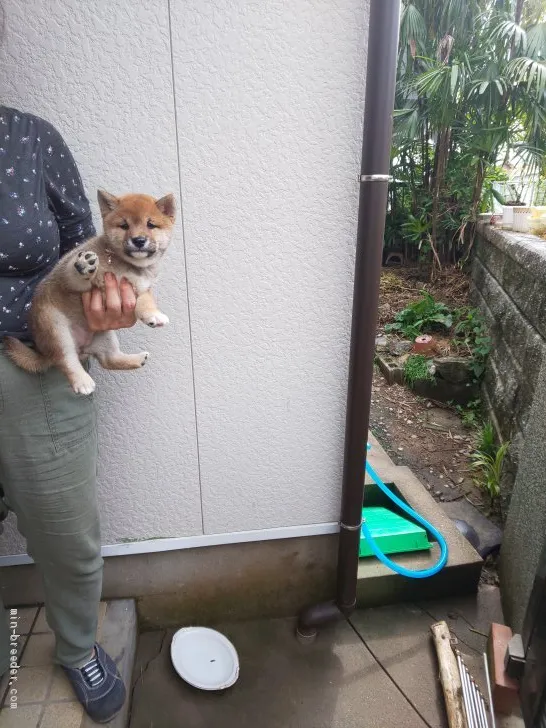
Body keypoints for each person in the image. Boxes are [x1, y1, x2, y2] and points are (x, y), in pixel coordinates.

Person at [0, 105, 135, 723]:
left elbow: (92, 243)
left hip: (33, 355)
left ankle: (77, 646)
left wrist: (110, 306)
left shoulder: (28, 138)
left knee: (65, 533)